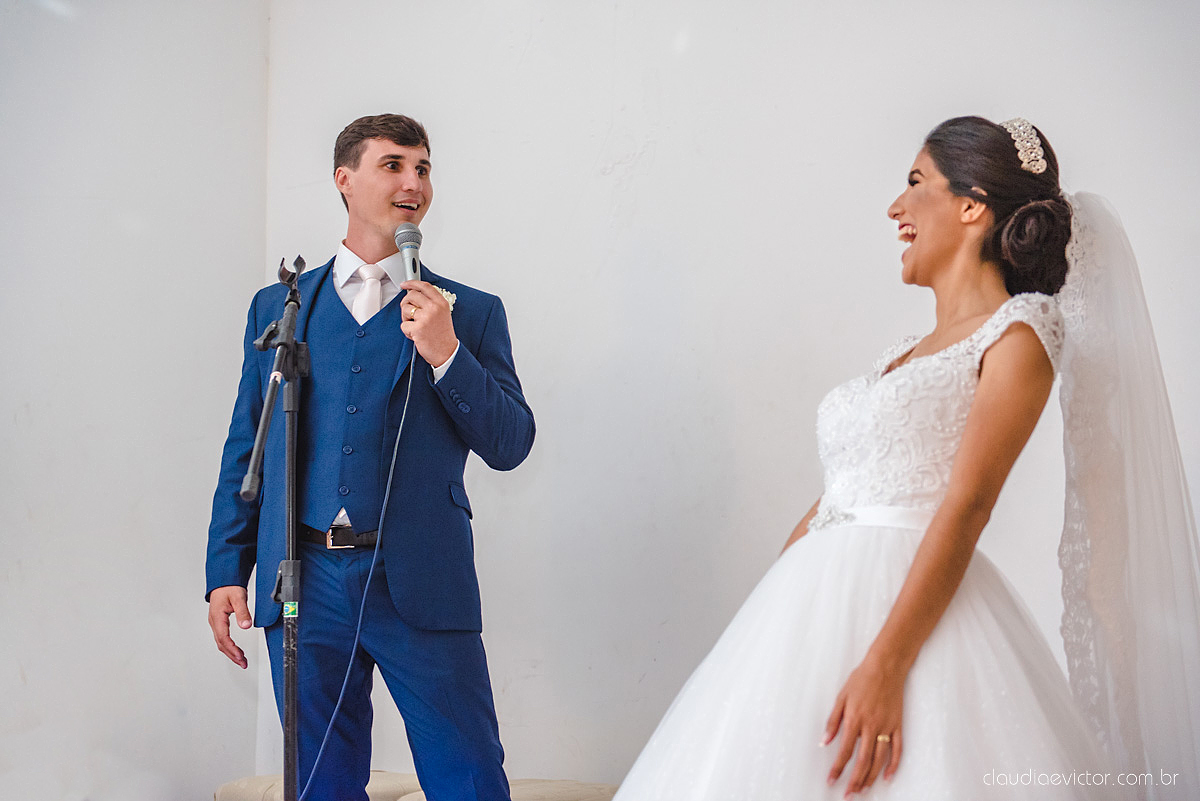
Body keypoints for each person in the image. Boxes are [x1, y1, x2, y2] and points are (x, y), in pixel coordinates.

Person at [612, 116, 1200, 800]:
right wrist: (761, 630)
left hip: (910, 619)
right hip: (805, 616)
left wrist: (886, 666)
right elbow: (838, 497)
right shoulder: (901, 353)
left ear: (972, 205)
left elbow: (969, 504)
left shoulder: (1019, 334)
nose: (896, 206)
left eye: (916, 182)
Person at [205, 113, 535, 801]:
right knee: (317, 782)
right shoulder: (280, 307)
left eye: (423, 168)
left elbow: (510, 444)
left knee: (469, 778)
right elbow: (247, 443)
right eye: (394, 165)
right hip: (302, 581)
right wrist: (225, 569)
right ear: (345, 180)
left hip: (420, 579)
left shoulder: (470, 312)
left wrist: (446, 352)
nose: (414, 183)